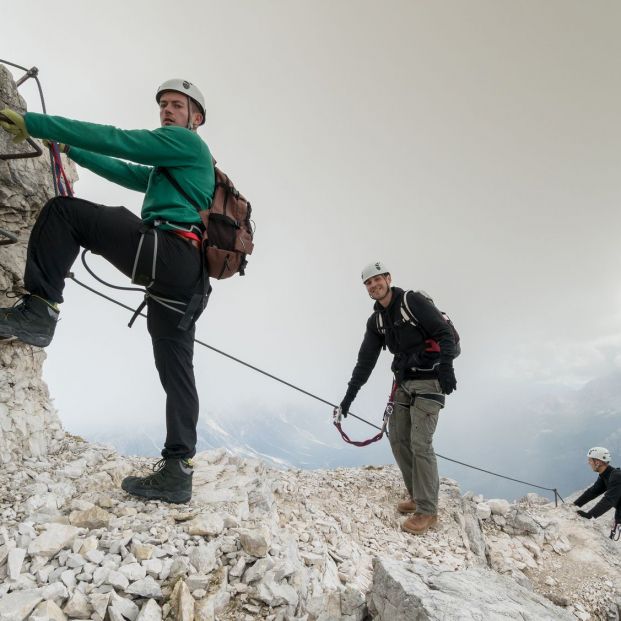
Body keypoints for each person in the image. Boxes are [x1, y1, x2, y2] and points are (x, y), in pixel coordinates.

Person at [0, 78, 215, 504]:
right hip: (185, 274)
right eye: (163, 105)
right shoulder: (173, 167)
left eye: (177, 105)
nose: (167, 111)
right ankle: (178, 471)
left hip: (167, 251)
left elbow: (119, 141)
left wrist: (38, 124)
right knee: (177, 370)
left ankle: (39, 310)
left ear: (196, 118)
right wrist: (72, 151)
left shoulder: (185, 145)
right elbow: (127, 171)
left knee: (65, 214)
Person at [335, 261, 458, 535]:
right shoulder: (377, 321)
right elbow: (364, 362)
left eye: (377, 279)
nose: (373, 285)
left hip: (430, 379)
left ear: (388, 278)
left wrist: (447, 367)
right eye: (367, 283)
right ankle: (416, 495)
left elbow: (444, 333)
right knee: (398, 437)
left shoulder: (411, 302)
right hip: (403, 381)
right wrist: (347, 400)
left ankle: (428, 511)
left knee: (420, 442)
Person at [574, 447, 621, 527]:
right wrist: (575, 504)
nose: (588, 463)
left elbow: (608, 500)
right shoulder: (606, 475)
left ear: (598, 462)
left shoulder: (617, 477)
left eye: (590, 460)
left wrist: (589, 515)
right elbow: (593, 491)